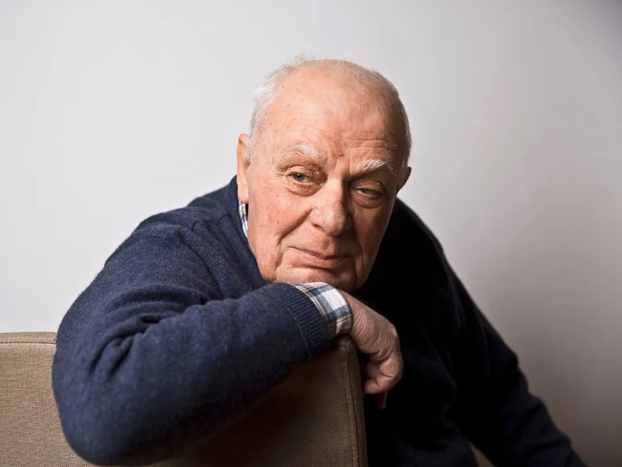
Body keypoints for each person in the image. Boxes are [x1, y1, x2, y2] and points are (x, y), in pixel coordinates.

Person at [52, 58, 584, 466]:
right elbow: (102, 414)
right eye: (302, 176)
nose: (333, 219)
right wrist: (323, 306)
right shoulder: (179, 249)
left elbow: (500, 403)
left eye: (369, 189)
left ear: (397, 187)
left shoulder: (404, 238)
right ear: (245, 166)